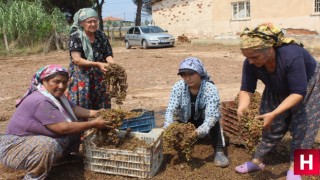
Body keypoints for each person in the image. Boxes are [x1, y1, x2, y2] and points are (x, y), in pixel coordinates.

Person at [234, 23, 320, 180]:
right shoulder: (250, 63)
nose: (251, 61)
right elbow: (246, 89)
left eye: (254, 57)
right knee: (268, 122)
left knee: (305, 125)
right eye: (247, 57)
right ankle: (257, 160)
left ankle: (299, 168)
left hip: (308, 84)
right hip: (276, 84)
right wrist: (242, 108)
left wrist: (275, 113)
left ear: (269, 49)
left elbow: (298, 92)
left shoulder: (292, 55)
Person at [0, 65, 113, 179]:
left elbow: (73, 109)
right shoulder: (40, 100)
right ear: (44, 80)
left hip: (34, 140)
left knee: (74, 122)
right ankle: (33, 177)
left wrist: (96, 113)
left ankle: (64, 158)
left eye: (64, 82)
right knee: (48, 145)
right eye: (56, 81)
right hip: (14, 148)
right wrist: (94, 123)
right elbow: (62, 128)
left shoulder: (55, 96)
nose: (61, 86)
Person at [163, 57, 229, 167]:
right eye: (184, 75)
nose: (187, 78)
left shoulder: (210, 89)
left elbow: (211, 117)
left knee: (215, 120)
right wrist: (168, 127)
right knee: (175, 128)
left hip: (203, 120)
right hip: (185, 120)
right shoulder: (178, 87)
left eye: (191, 74)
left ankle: (219, 151)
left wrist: (198, 132)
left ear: (200, 73)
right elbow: (171, 109)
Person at [67, 8, 114, 110]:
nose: (93, 24)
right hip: (81, 76)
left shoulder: (100, 35)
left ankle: (102, 125)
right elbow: (77, 60)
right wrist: (98, 64)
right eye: (89, 22)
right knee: (82, 104)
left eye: (95, 21)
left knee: (102, 105)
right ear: (82, 23)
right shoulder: (76, 37)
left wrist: (113, 64)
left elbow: (107, 54)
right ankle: (84, 125)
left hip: (100, 76)